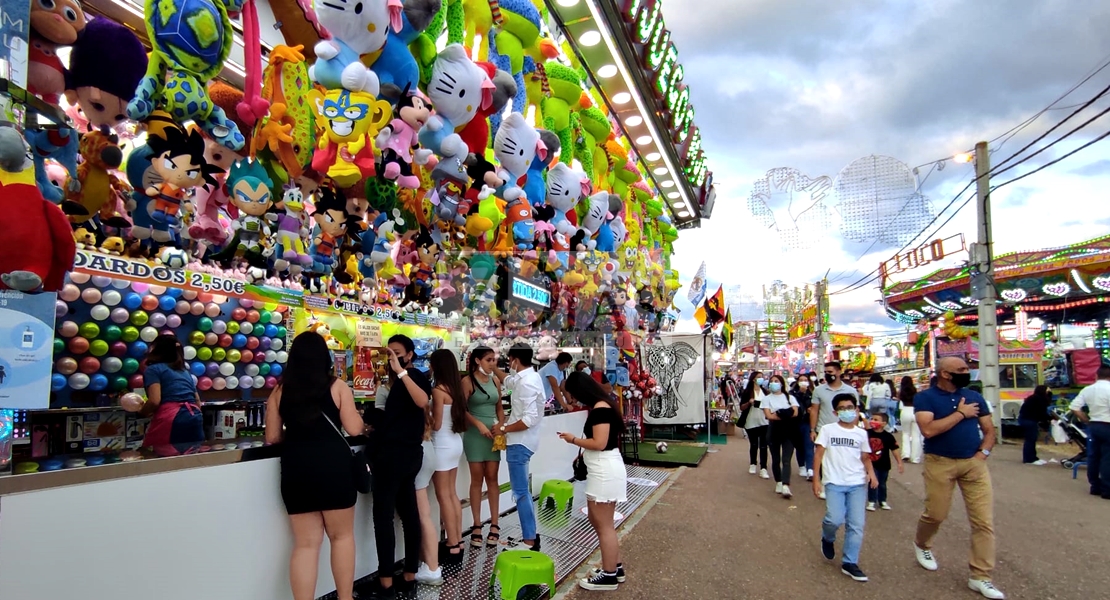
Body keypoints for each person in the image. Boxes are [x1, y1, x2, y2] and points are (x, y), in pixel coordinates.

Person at [264, 331, 365, 600]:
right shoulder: (338, 386)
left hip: (297, 468)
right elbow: (355, 429)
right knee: (341, 538)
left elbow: (272, 437)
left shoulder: (279, 390)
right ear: (326, 357)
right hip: (334, 467)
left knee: (306, 545)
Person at [913, 357, 1003, 600]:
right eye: (961, 370)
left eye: (967, 368)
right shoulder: (925, 398)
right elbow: (929, 430)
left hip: (973, 464)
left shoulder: (974, 396)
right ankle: (922, 544)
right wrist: (961, 414)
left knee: (983, 522)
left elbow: (989, 429)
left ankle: (981, 576)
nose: (967, 372)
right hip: (939, 462)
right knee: (936, 514)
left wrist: (983, 453)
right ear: (944, 374)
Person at [365, 335, 432, 598]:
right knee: (406, 514)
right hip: (402, 455)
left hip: (397, 457)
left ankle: (388, 582)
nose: (391, 357)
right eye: (388, 353)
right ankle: (407, 576)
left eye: (396, 352)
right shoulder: (391, 384)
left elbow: (422, 401)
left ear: (410, 354)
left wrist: (401, 371)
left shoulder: (413, 376)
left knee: (386, 518)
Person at [560, 372, 628, 591]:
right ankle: (614, 568)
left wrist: (574, 440)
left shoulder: (600, 409)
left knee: (604, 525)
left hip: (604, 469)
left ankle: (609, 575)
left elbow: (599, 443)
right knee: (600, 521)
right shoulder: (604, 405)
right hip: (604, 466)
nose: (573, 399)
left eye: (571, 394)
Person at [812, 393, 878, 583]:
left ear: (857, 409)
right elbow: (818, 456)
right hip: (834, 482)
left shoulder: (861, 433)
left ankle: (850, 562)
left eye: (850, 407)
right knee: (834, 518)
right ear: (835, 412)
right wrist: (816, 480)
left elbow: (865, 456)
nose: (847, 411)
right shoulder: (828, 430)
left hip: (857, 483)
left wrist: (871, 473)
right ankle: (828, 536)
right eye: (842, 408)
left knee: (856, 524)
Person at [496, 343, 545, 550]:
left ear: (515, 359)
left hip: (520, 442)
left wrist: (504, 428)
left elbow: (529, 419)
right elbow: (508, 381)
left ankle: (529, 541)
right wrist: (492, 370)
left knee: (521, 492)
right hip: (525, 441)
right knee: (522, 491)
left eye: (509, 360)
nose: (509, 364)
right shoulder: (527, 377)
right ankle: (531, 534)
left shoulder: (527, 383)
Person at [462, 347, 506, 548]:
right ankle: (477, 524)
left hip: (493, 433)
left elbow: (499, 406)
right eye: (489, 360)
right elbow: (461, 409)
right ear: (478, 360)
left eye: (493, 359)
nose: (492, 363)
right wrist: (478, 424)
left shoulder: (495, 381)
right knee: (476, 479)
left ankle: (495, 523)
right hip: (474, 434)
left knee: (493, 478)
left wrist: (501, 425)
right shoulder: (467, 381)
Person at [429, 349, 466, 564]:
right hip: (454, 443)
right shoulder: (455, 389)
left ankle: (452, 545)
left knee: (444, 496)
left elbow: (437, 424)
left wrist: (426, 413)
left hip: (441, 445)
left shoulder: (438, 391)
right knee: (452, 494)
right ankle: (458, 541)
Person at [141, 335, 204, 446]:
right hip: (194, 415)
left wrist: (142, 412)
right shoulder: (184, 371)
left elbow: (154, 400)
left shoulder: (153, 369)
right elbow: (197, 401)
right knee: (190, 454)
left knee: (155, 453)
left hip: (170, 417)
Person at [810, 361, 859, 498]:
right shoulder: (819, 390)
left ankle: (845, 485)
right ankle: (826, 486)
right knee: (823, 459)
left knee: (843, 458)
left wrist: (854, 429)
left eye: (830, 372)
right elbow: (814, 410)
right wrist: (813, 430)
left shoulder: (850, 391)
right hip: (823, 430)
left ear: (838, 372)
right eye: (826, 372)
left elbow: (856, 410)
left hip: (845, 429)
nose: (827, 375)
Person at [413, 392, 442, 585]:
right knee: (425, 513)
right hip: (429, 450)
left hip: (419, 456)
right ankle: (430, 564)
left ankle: (432, 567)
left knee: (423, 515)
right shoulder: (424, 406)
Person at [1070, 365, 1110, 498]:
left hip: (1093, 425)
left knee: (1093, 456)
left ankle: (1095, 486)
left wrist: (1086, 420)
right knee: (1107, 457)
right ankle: (1107, 489)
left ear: (1096, 375)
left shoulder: (1088, 389)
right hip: (1108, 425)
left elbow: (1075, 407)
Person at [763, 374, 801, 498]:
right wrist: (785, 413)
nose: (774, 383)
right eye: (772, 381)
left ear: (781, 383)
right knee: (775, 458)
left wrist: (779, 413)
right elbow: (769, 415)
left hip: (789, 430)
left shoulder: (790, 397)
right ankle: (778, 481)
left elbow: (795, 413)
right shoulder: (767, 399)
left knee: (786, 459)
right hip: (774, 430)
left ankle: (785, 484)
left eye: (776, 381)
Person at [865, 413, 903, 511]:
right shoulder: (866, 433)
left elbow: (894, 450)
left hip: (884, 464)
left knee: (882, 483)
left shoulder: (888, 437)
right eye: (872, 419)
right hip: (872, 464)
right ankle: (872, 501)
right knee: (873, 482)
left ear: (884, 423)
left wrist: (899, 462)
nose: (873, 421)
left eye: (876, 419)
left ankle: (882, 500)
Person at [739, 371, 769, 479]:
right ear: (753, 379)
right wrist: (749, 403)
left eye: (762, 377)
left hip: (764, 421)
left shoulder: (765, 392)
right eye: (758, 377)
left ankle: (763, 468)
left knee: (764, 445)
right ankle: (753, 463)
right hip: (751, 421)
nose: (761, 379)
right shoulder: (747, 392)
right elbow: (741, 407)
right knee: (754, 444)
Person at [1019, 385, 1056, 465]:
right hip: (1029, 420)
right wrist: (1050, 418)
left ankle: (1033, 457)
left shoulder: (1035, 398)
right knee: (1030, 439)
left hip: (1028, 420)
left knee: (1032, 439)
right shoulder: (1038, 399)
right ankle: (1029, 459)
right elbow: (1041, 413)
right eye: (1047, 390)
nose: (1049, 391)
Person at [791, 376, 815, 479]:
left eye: (805, 380)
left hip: (808, 422)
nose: (803, 382)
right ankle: (801, 466)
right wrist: (801, 393)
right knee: (799, 446)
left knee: (809, 445)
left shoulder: (813, 393)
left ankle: (810, 468)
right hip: (796, 422)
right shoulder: (793, 394)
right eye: (801, 380)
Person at [900, 377, 922, 463]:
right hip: (914, 411)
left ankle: (906, 454)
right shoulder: (915, 391)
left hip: (905, 411)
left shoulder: (901, 392)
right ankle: (915, 458)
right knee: (916, 435)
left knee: (905, 433)